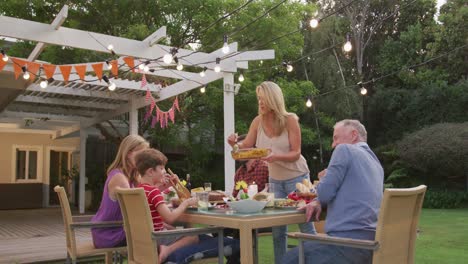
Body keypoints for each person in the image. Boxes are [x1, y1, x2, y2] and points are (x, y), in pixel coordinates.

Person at [227, 81, 315, 264]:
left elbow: (296, 153)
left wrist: (277, 157)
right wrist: (234, 143)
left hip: (297, 177)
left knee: (306, 227)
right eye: (258, 98)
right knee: (277, 231)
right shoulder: (257, 122)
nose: (260, 102)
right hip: (275, 180)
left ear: (273, 99)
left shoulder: (290, 120)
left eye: (263, 98)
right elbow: (246, 146)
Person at [282, 119, 384, 264]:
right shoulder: (376, 163)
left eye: (336, 138)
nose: (333, 144)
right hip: (372, 246)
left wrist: (324, 180)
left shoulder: (344, 150)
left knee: (288, 259)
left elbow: (324, 193)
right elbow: (347, 192)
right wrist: (319, 200)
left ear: (354, 135)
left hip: (346, 245)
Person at [135, 148, 241, 264]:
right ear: (150, 172)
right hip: (158, 237)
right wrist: (186, 203)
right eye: (161, 168)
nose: (164, 171)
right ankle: (167, 250)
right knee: (193, 236)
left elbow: (153, 203)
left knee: (186, 232)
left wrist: (167, 186)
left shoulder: (138, 190)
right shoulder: (153, 192)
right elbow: (170, 218)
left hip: (146, 238)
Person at [91, 134, 150, 248]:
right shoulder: (120, 178)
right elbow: (136, 212)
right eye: (141, 154)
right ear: (128, 153)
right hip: (110, 234)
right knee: (161, 238)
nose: (144, 159)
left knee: (163, 233)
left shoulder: (131, 176)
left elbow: (147, 196)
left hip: (113, 230)